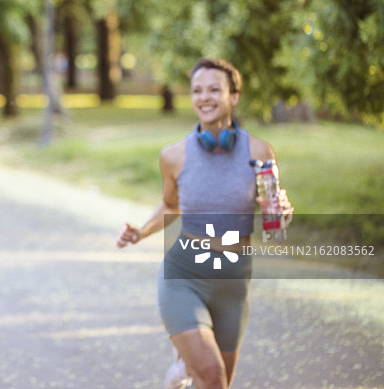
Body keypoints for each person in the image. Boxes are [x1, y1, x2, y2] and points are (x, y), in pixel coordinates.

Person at [116, 57, 293, 389]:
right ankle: (185, 360)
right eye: (197, 90)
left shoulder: (259, 152)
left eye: (215, 89)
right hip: (185, 277)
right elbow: (171, 204)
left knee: (217, 384)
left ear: (234, 96)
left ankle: (182, 367)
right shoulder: (174, 155)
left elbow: (273, 222)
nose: (204, 97)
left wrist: (281, 214)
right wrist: (140, 232)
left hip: (234, 282)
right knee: (211, 375)